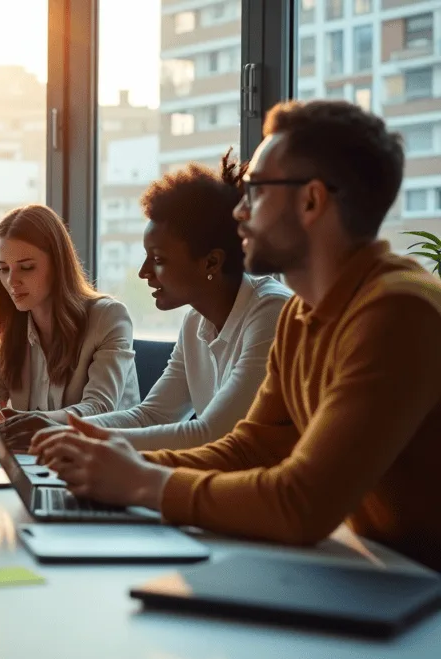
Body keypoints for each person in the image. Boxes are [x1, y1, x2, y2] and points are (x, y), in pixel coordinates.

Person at [32, 100, 441, 572]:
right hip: (380, 571)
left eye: (256, 192)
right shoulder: (301, 317)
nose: (240, 213)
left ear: (311, 201)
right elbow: (247, 449)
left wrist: (143, 482)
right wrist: (117, 463)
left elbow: (301, 503)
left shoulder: (398, 311)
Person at [73, 151, 290, 450]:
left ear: (211, 263)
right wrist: (52, 426)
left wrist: (71, 437)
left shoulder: (272, 314)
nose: (143, 272)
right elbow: (151, 416)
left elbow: (212, 435)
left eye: (158, 259)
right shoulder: (196, 322)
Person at [0, 204, 140, 450]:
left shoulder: (108, 317)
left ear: (58, 264)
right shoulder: (13, 326)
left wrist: (28, 422)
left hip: (106, 460)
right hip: (41, 460)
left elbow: (99, 409)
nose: (12, 281)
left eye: (26, 267)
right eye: (3, 269)